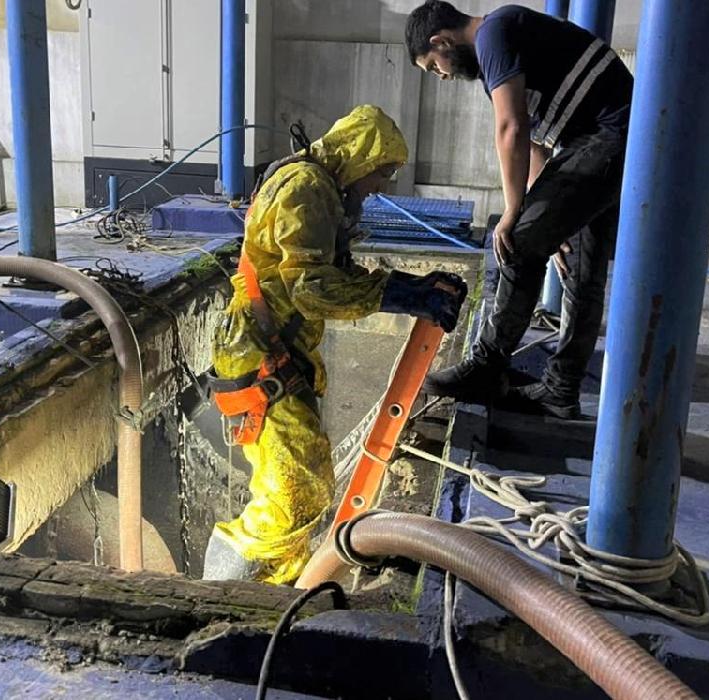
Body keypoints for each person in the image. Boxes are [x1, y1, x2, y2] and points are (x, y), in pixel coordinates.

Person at [202, 105, 468, 584]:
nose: (381, 186)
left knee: (300, 488)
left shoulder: (319, 188)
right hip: (262, 356)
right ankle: (221, 595)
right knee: (290, 494)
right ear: (359, 155)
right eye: (381, 172)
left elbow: (332, 275)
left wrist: (413, 287)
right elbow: (312, 289)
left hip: (275, 354)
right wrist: (402, 295)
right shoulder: (306, 188)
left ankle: (277, 588)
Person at [406, 1, 633, 419]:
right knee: (580, 273)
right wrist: (550, 218)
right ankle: (560, 392)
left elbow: (512, 128)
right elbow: (533, 148)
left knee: (516, 243)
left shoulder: (496, 32)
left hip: (608, 135)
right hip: (599, 141)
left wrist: (514, 214)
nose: (443, 76)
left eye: (434, 66)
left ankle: (486, 367)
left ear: (442, 41)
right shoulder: (499, 47)